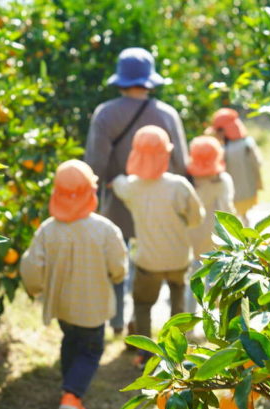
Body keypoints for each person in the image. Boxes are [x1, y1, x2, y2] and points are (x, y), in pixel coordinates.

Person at [84, 47, 189, 335]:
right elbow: (181, 162)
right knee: (153, 261)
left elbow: (94, 163)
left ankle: (118, 320)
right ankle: (166, 328)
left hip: (120, 200)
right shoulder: (167, 114)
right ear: (150, 80)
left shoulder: (105, 114)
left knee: (118, 260)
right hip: (161, 205)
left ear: (120, 80)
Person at [19, 159, 128, 409]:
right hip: (93, 307)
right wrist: (116, 276)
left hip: (63, 306)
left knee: (70, 341)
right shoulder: (104, 230)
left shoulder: (48, 230)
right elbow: (118, 266)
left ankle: (68, 383)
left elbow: (31, 267)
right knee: (90, 350)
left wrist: (34, 288)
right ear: (90, 192)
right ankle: (72, 394)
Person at [111, 125, 204, 367]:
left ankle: (145, 353)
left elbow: (118, 183)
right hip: (179, 258)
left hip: (148, 262)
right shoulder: (179, 185)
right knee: (178, 303)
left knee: (143, 305)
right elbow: (197, 217)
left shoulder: (131, 186)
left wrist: (114, 179)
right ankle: (176, 351)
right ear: (166, 154)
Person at [185, 136, 236, 313]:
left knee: (193, 281)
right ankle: (218, 319)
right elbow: (227, 210)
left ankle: (189, 324)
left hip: (190, 235)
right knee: (215, 279)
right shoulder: (222, 181)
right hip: (214, 236)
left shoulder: (187, 180)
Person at [208, 108, 263, 225]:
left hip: (232, 193)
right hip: (247, 190)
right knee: (244, 217)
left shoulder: (222, 149)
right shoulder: (247, 143)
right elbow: (257, 163)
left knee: (232, 218)